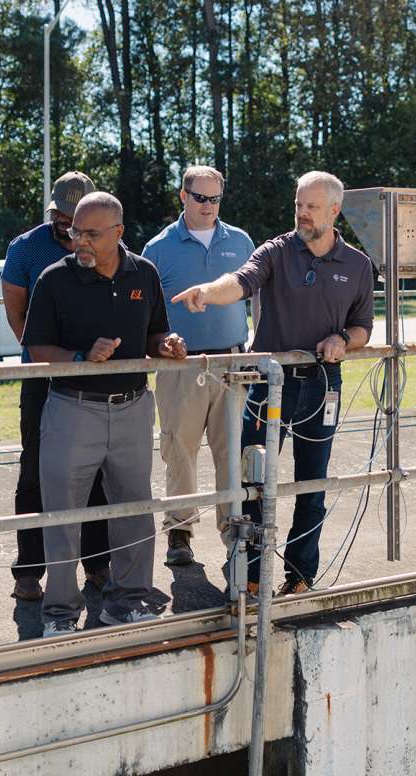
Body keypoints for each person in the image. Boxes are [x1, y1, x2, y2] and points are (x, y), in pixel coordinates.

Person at [171, 171, 374, 597]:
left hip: (322, 385)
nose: (302, 213)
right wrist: (208, 291)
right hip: (268, 385)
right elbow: (240, 281)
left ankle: (299, 578)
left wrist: (343, 340)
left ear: (334, 211)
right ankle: (250, 571)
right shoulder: (277, 251)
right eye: (299, 204)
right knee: (253, 484)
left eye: (312, 206)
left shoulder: (357, 265)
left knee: (311, 485)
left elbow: (362, 330)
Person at [22, 192, 187, 637]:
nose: (81, 242)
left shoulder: (145, 274)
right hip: (72, 410)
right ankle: (59, 613)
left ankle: (129, 602)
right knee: (62, 515)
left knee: (135, 510)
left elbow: (155, 332)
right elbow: (37, 348)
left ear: (118, 233)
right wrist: (80, 355)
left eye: (92, 234)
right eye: (76, 231)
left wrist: (167, 346)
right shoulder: (55, 279)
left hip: (133, 408)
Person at [0, 171, 112, 602]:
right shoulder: (27, 248)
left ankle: (98, 563)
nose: (67, 225)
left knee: (98, 469)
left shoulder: (107, 245)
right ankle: (28, 569)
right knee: (36, 470)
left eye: (76, 217)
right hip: (44, 377)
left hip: (95, 377)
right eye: (60, 216)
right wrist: (52, 354)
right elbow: (17, 318)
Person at [142, 166, 254, 565]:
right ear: (183, 196)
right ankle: (179, 533)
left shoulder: (241, 242)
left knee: (232, 453)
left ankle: (235, 531)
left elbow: (257, 296)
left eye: (215, 198)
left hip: (232, 362)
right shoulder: (158, 248)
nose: (208, 206)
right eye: (200, 198)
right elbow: (147, 313)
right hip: (180, 367)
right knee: (179, 451)